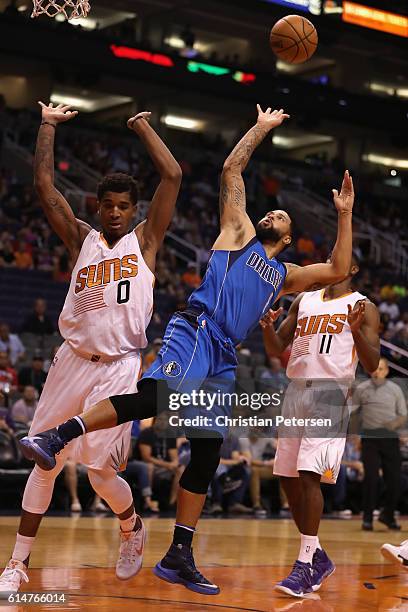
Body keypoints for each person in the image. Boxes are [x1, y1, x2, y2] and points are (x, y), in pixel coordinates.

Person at [21, 104, 355, 596]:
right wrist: (259, 129)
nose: (272, 212)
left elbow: (338, 269)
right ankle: (58, 437)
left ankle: (180, 552)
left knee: (207, 452)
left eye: (280, 216)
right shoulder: (238, 233)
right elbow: (232, 170)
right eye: (271, 209)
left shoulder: (284, 277)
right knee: (155, 398)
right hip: (197, 328)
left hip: (223, 354)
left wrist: (345, 215)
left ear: (288, 238)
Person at [0, 101, 181, 594]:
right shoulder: (82, 237)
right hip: (72, 360)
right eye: (109, 205)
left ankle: (131, 527)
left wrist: (142, 125)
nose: (117, 212)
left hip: (120, 368)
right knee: (46, 460)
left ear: (134, 209)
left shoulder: (146, 242)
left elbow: (173, 175)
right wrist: (47, 126)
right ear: (98, 207)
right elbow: (43, 187)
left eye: (125, 206)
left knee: (101, 474)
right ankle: (17, 563)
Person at [260, 251, 380, 598]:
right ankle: (319, 557)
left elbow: (372, 364)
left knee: (311, 476)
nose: (332, 260)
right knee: (286, 478)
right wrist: (268, 327)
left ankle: (303, 565)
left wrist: (356, 333)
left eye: (340, 258)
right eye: (329, 256)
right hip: (296, 391)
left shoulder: (362, 306)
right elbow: (277, 347)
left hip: (330, 392)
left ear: (352, 267)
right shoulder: (304, 299)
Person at [353, 357, 407, 531]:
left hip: (390, 437)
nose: (377, 372)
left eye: (381, 369)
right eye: (375, 369)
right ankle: (367, 518)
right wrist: (354, 436)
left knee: (395, 480)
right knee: (371, 478)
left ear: (387, 371)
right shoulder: (361, 389)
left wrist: (396, 425)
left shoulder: (395, 389)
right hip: (370, 438)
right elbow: (352, 412)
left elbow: (402, 414)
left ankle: (388, 515)